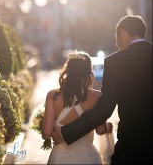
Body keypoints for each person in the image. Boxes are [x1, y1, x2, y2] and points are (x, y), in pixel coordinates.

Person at [52, 15, 153, 164]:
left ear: (123, 33)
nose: (117, 44)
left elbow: (104, 108)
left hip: (132, 143)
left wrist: (66, 132)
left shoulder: (115, 62)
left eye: (117, 38)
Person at [42, 51, 113, 164]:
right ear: (89, 71)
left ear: (68, 70)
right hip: (88, 158)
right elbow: (100, 130)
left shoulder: (53, 96)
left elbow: (46, 133)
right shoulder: (97, 96)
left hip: (59, 158)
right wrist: (107, 128)